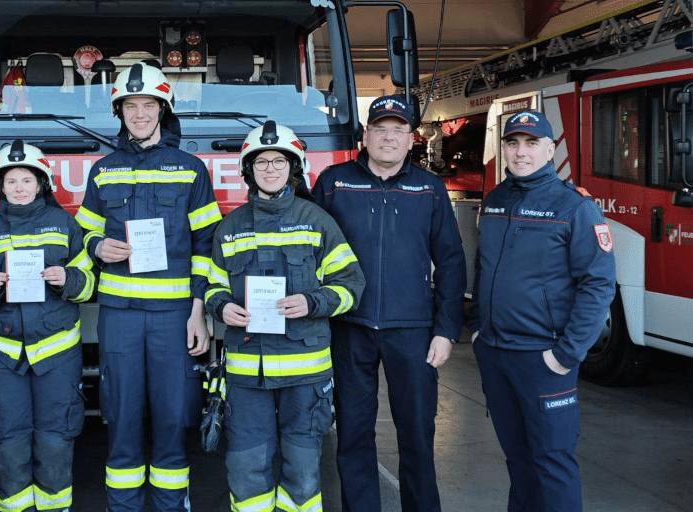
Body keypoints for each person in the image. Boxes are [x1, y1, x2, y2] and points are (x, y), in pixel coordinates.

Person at [73, 62, 222, 512]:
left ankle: (172, 504)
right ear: (119, 111)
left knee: (175, 415)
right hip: (118, 314)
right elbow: (82, 235)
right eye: (131, 106)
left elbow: (205, 244)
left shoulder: (191, 169)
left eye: (148, 105)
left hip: (175, 315)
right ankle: (124, 506)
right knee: (119, 415)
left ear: (163, 109)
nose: (140, 114)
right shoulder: (102, 171)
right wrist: (98, 247)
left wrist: (199, 312)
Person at [311, 95, 466, 512]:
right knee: (354, 435)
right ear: (366, 134)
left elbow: (450, 260)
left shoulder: (429, 188)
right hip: (349, 327)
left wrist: (447, 330)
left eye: (398, 130)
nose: (388, 138)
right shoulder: (333, 181)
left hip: (413, 330)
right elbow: (307, 252)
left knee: (417, 434)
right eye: (380, 128)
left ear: (411, 138)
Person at [204, 121, 365, 512]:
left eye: (279, 161)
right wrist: (222, 306)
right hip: (247, 372)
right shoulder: (230, 228)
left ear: (294, 168)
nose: (270, 168)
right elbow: (211, 287)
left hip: (304, 373)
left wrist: (312, 303)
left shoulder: (317, 222)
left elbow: (351, 286)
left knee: (304, 470)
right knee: (245, 466)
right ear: (248, 171)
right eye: (261, 162)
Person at [470, 111, 616, 512]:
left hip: (543, 358)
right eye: (513, 143)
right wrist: (479, 329)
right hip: (496, 354)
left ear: (551, 149)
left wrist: (566, 354)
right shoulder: (496, 200)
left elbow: (599, 283)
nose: (520, 152)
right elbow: (484, 269)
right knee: (518, 461)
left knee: (552, 462)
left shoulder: (574, 207)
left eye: (531, 143)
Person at [0, 141, 95, 512]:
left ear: (41, 185)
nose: (19, 187)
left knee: (56, 438)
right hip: (3, 352)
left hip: (56, 350)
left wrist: (67, 279)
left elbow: (90, 281)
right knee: (8, 438)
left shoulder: (64, 225)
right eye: (11, 181)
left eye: (27, 179)